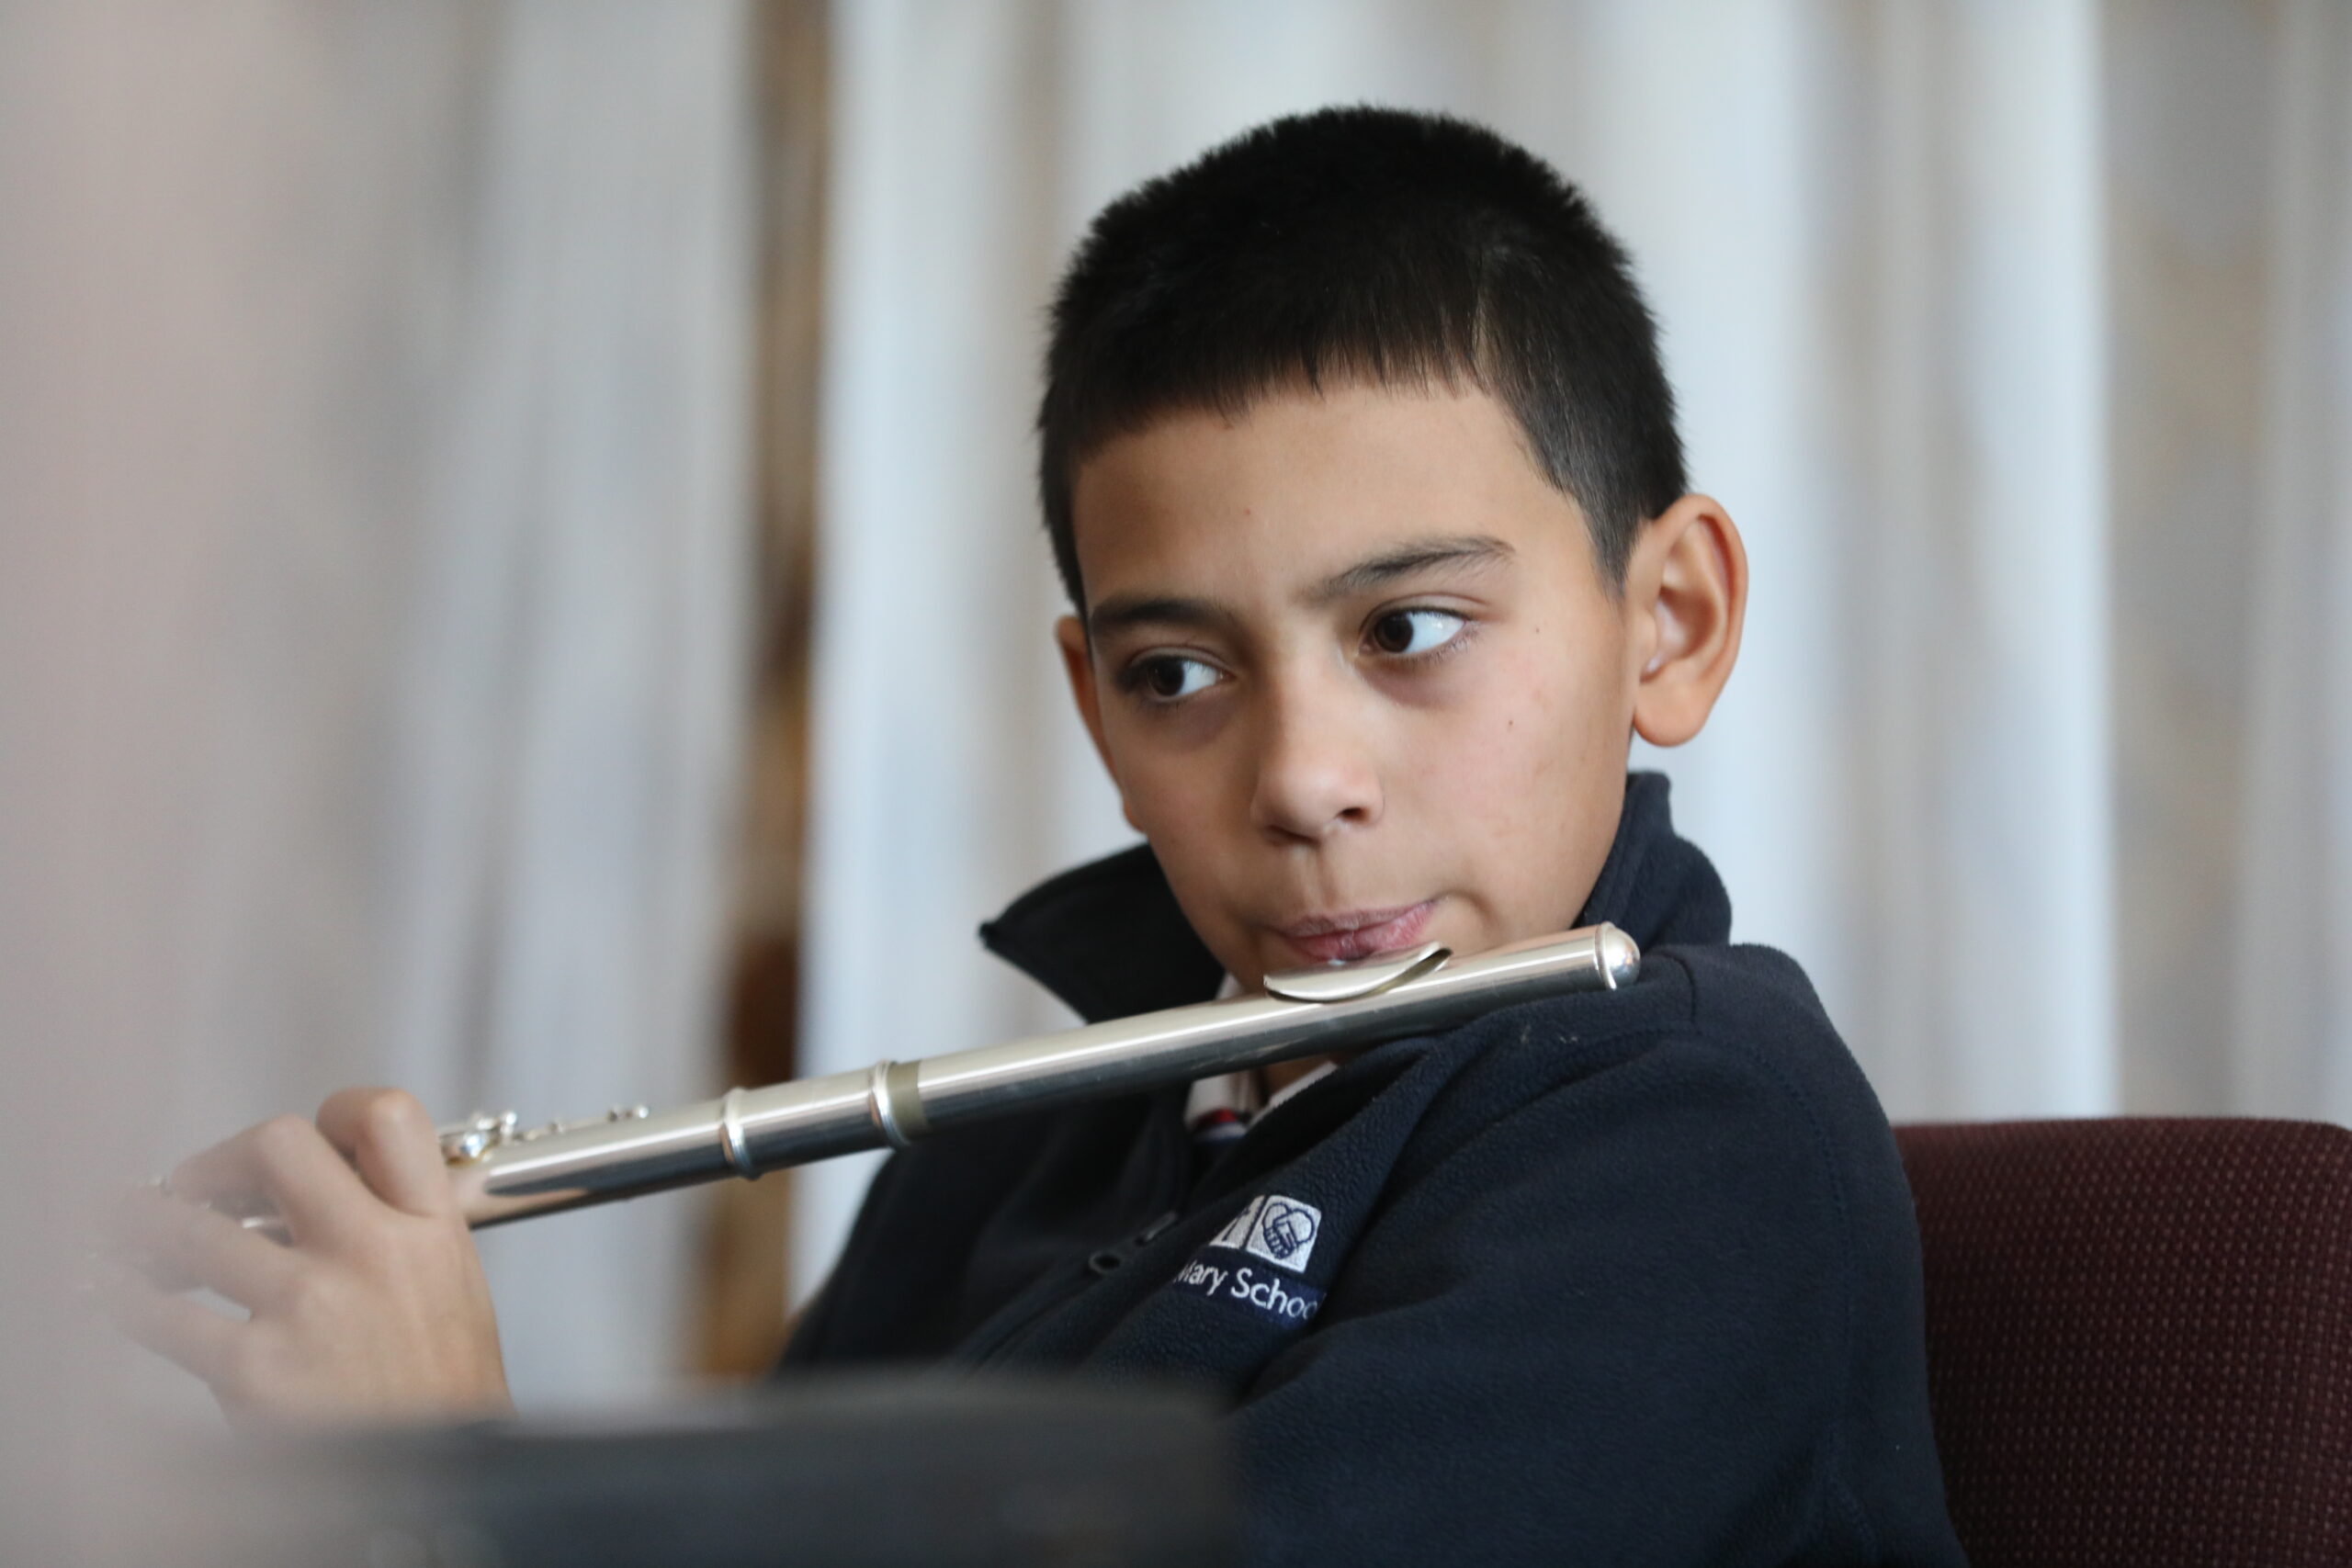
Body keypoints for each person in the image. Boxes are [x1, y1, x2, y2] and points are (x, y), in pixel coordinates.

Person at [110, 107, 1967, 1564]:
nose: (1300, 777)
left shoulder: (1700, 1141)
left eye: (1405, 631)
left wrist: (449, 1485)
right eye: (1179, 671)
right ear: (1091, 702)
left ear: (1671, 620)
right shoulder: (1037, 1133)